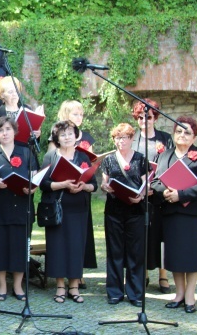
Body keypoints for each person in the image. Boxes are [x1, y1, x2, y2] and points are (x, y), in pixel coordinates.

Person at [151, 116, 197, 313]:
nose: (182, 135)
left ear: (194, 137)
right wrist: (167, 193)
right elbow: (156, 182)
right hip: (171, 212)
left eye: (187, 132)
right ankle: (179, 294)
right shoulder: (165, 155)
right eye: (179, 131)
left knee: (191, 256)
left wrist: (181, 195)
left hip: (192, 214)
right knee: (175, 255)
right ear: (174, 133)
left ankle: (190, 296)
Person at [39, 120, 97, 304]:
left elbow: (94, 185)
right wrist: (62, 184)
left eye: (70, 133)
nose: (67, 137)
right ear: (57, 138)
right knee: (57, 247)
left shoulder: (83, 158)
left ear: (76, 136)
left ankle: (74, 286)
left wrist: (84, 186)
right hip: (58, 207)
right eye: (63, 134)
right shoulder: (50, 157)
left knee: (75, 247)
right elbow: (43, 183)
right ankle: (60, 287)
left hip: (78, 208)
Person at [0, 117, 37, 302]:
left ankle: (17, 285)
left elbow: (34, 177)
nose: (4, 133)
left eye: (8, 129)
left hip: (22, 205)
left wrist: (32, 187)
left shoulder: (26, 152)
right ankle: (2, 285)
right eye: (0, 130)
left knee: (20, 247)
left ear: (15, 131)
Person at [50, 99, 97, 289]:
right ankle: (64, 281)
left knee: (79, 237)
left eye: (81, 114)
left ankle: (77, 277)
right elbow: (50, 169)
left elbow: (90, 165)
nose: (79, 117)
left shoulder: (85, 139)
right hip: (61, 197)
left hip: (80, 196)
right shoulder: (56, 140)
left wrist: (84, 183)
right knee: (62, 240)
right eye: (75, 114)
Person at [100, 123, 147, 306]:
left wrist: (141, 195)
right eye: (117, 138)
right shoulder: (109, 160)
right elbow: (104, 183)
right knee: (115, 252)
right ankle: (115, 292)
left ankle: (135, 293)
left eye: (124, 137)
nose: (121, 141)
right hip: (114, 210)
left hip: (135, 210)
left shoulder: (140, 159)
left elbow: (146, 184)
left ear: (131, 139)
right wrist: (105, 187)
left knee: (135, 253)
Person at [131, 98, 173, 294]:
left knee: (161, 234)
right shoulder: (133, 139)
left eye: (147, 117)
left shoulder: (164, 139)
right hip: (139, 195)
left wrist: (156, 188)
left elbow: (171, 165)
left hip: (159, 194)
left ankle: (163, 274)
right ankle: (144, 274)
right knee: (142, 234)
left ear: (155, 117)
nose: (143, 121)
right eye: (140, 117)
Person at [0, 76, 43, 148]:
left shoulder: (26, 109)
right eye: (10, 92)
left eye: (17, 91)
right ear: (2, 95)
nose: (15, 94)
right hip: (3, 153)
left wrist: (37, 134)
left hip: (25, 152)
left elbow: (32, 141)